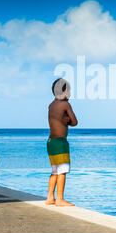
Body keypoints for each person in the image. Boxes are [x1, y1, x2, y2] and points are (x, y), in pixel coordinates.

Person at [45, 78, 78, 206]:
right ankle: (59, 199)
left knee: (54, 171)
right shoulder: (65, 105)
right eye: (68, 90)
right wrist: (68, 120)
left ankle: (49, 198)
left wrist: (64, 119)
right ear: (63, 91)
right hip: (60, 142)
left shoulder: (51, 105)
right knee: (62, 171)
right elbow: (75, 122)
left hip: (51, 142)